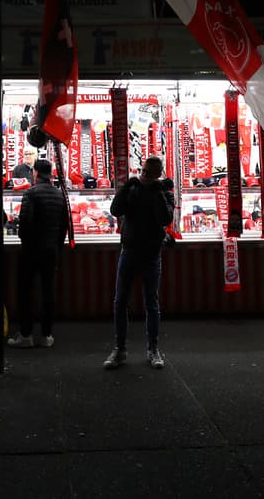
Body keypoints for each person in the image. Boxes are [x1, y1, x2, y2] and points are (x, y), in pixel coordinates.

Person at [103, 155, 175, 370]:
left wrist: (158, 192)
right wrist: (126, 187)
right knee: (120, 301)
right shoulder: (133, 189)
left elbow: (165, 218)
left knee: (151, 302)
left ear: (157, 175)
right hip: (130, 250)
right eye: (143, 171)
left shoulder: (163, 193)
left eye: (149, 174)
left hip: (151, 254)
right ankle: (119, 349)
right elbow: (115, 210)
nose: (144, 176)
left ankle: (153, 349)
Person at [7, 158, 68, 348]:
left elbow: (24, 223)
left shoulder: (30, 194)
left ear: (35, 173)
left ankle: (26, 335)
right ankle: (46, 335)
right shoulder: (60, 195)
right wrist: (56, 246)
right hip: (51, 251)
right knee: (48, 292)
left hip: (31, 251)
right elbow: (64, 227)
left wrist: (25, 241)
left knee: (25, 292)